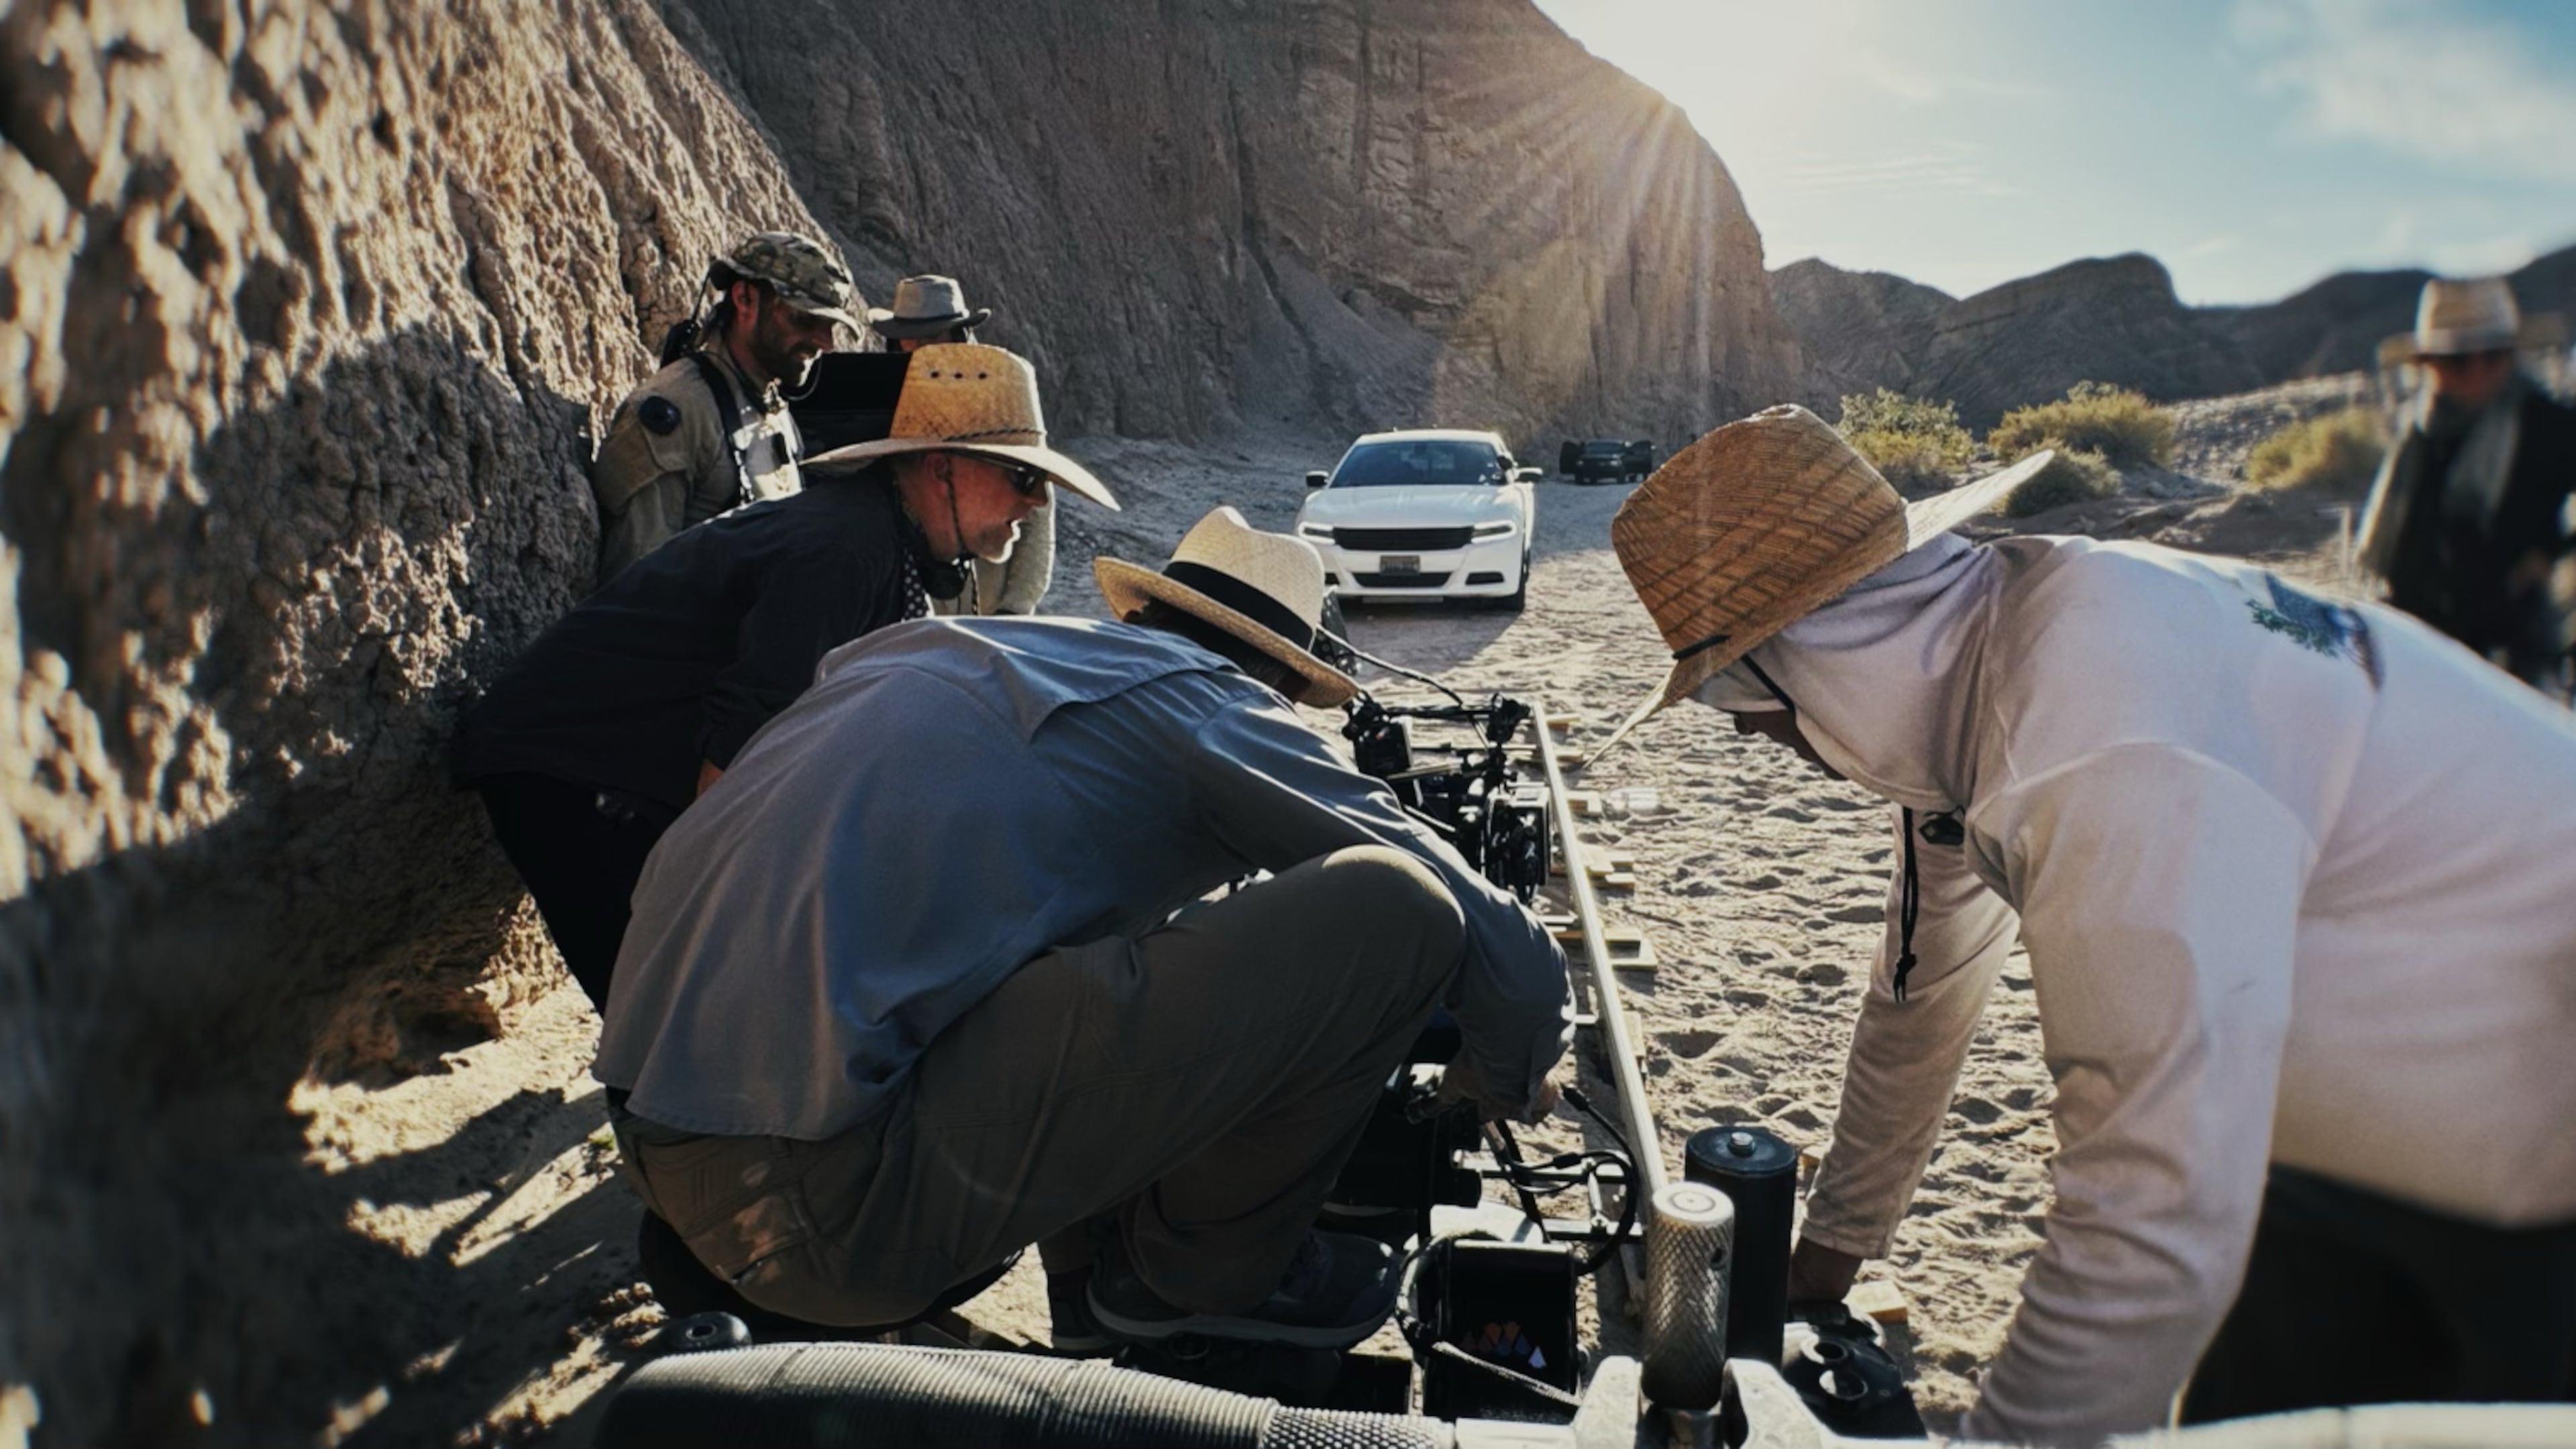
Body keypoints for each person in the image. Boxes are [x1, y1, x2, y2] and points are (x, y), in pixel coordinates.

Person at [1601, 405, 2576, 1444]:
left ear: (1823, 660)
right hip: (2347, 1156)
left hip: (2531, 1167)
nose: (1770, 744)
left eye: (1749, 711)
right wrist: (1831, 1252)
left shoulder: (2093, 744)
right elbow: (1920, 996)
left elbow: (2148, 1216)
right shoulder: (1989, 665)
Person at [594, 507, 1572, 1352]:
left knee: (1071, 927)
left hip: (661, 1144)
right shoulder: (1207, 704)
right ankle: (1199, 1282)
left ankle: (1083, 1288)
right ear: (1275, 679)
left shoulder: (948, 650)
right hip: (826, 1218)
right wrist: (1497, 1073)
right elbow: (1475, 924)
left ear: (1143, 610)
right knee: (1396, 910)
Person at [453, 344, 1115, 1010]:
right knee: (670, 1024)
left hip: (628, 777)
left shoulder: (891, 544)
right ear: (942, 465)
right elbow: (742, 747)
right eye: (1020, 478)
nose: (1036, 502)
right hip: (570, 774)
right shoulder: (847, 553)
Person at [591, 231, 859, 586]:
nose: (824, 343)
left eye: (830, 327)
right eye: (803, 320)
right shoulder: (677, 413)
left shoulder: (771, 408)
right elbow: (632, 592)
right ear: (745, 298)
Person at [2357, 274, 2576, 694]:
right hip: (2424, 651)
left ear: (2511, 356)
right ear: (2430, 364)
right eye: (2459, 361)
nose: (2477, 373)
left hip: (2516, 660)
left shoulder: (2548, 424)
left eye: (2492, 356)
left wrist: (2551, 556)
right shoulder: (2419, 435)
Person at [871, 274, 1057, 614]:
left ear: (959, 337)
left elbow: (1037, 515)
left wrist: (1015, 608)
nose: (919, 349)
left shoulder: (1001, 404)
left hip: (987, 607)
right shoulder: (883, 405)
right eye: (907, 339)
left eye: (931, 337)